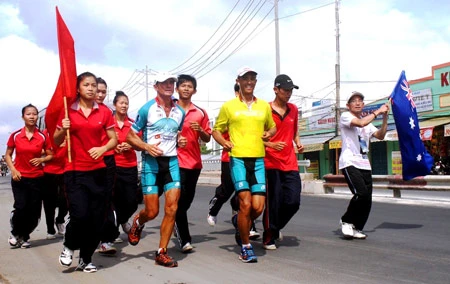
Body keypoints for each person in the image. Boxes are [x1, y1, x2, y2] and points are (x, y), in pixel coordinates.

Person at [212, 66, 276, 263]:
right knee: (245, 204)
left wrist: (269, 133)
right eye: (245, 78)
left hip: (257, 160)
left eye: (252, 78)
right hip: (238, 158)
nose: (249, 82)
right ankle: (246, 247)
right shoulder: (229, 106)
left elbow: (272, 126)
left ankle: (240, 223)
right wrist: (223, 142)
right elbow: (216, 130)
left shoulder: (264, 106)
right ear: (238, 81)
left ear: (256, 82)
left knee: (257, 208)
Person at [55, 71, 117, 273]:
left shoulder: (104, 112)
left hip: (98, 171)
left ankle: (86, 258)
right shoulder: (68, 111)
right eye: (86, 85)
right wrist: (62, 129)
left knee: (96, 218)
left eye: (93, 85)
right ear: (78, 89)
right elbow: (56, 141)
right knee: (80, 215)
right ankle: (69, 245)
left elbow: (113, 139)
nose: (91, 88)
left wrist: (103, 149)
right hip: (74, 171)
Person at [126, 71, 187, 268]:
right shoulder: (147, 109)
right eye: (164, 82)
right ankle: (138, 222)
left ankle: (162, 252)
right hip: (151, 165)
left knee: (172, 208)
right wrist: (146, 147)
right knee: (152, 211)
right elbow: (130, 136)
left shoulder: (180, 112)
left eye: (172, 82)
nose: (169, 85)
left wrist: (180, 139)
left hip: (171, 164)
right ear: (156, 86)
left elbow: (175, 132)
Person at [207, 83, 260, 241]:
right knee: (227, 189)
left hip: (249, 158)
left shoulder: (254, 111)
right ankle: (214, 208)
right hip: (230, 158)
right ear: (236, 92)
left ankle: (249, 228)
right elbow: (216, 131)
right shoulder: (230, 110)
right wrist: (225, 142)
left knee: (247, 192)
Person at [339, 91, 389, 239]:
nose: (358, 102)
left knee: (367, 198)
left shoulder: (368, 123)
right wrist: (378, 111)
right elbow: (360, 123)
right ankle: (346, 220)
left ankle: (357, 227)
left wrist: (385, 117)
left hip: (364, 164)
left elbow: (380, 135)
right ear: (348, 105)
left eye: (360, 100)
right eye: (354, 101)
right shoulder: (346, 116)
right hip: (350, 162)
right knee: (360, 193)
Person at [262, 74, 303, 250]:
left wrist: (298, 142)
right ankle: (269, 235)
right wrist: (269, 144)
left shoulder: (293, 109)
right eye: (285, 90)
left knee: (293, 202)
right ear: (276, 90)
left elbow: (294, 131)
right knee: (274, 201)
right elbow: (254, 138)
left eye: (291, 90)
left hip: (290, 163)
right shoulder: (264, 109)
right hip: (270, 162)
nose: (288, 93)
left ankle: (276, 226)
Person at [5, 104, 53, 248]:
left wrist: (42, 159)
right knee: (21, 206)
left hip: (37, 178)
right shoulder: (15, 135)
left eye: (34, 114)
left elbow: (50, 154)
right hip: (19, 177)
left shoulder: (42, 136)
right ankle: (16, 233)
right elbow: (7, 155)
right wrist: (13, 170)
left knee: (33, 211)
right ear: (23, 117)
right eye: (28, 114)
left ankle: (25, 236)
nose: (32, 116)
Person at [174, 74, 212, 253]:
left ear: (194, 90)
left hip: (194, 163)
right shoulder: (169, 110)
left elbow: (207, 137)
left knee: (187, 201)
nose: (186, 89)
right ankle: (184, 239)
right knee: (179, 202)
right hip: (174, 162)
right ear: (177, 89)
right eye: (183, 86)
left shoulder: (200, 112)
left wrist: (201, 130)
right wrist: (175, 140)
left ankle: (175, 221)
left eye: (190, 86)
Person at [95, 77, 120, 255]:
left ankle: (106, 239)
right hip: (88, 161)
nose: (100, 95)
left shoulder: (107, 112)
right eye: (98, 91)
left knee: (106, 199)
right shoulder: (77, 110)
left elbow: (113, 137)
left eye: (104, 92)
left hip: (108, 159)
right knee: (90, 201)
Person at [110, 91, 139, 244]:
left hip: (130, 166)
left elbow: (141, 145)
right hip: (113, 166)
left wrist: (132, 144)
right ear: (115, 104)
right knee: (114, 200)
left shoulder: (133, 124)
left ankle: (122, 220)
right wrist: (113, 148)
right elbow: (102, 142)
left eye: (126, 103)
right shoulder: (109, 123)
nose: (124, 105)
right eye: (121, 102)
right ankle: (113, 232)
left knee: (131, 201)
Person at [42, 129, 68, 239]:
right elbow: (38, 151)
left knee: (66, 199)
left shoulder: (68, 131)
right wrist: (53, 147)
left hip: (66, 170)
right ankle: (50, 229)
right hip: (49, 171)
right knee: (49, 202)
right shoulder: (45, 133)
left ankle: (60, 220)